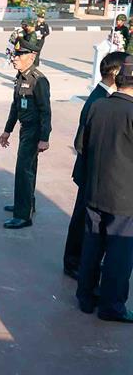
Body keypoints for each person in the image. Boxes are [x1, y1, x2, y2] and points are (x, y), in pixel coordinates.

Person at [76, 55, 133, 323]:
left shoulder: (98, 105)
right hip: (124, 197)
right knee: (119, 254)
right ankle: (111, 306)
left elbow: (81, 145)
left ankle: (85, 297)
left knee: (92, 246)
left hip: (95, 190)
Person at [63, 51, 127, 279]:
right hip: (92, 171)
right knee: (82, 220)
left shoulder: (102, 97)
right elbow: (80, 142)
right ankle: (73, 262)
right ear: (116, 72)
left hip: (94, 171)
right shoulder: (99, 100)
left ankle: (78, 261)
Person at [0, 46, 51, 229]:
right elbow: (16, 106)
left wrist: (44, 138)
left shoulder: (39, 80)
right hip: (25, 128)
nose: (15, 58)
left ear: (32, 56)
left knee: (23, 171)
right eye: (15, 55)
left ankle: (22, 216)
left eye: (19, 55)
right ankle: (27, 203)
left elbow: (46, 111)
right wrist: (7, 130)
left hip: (34, 130)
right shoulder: (21, 78)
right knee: (28, 169)